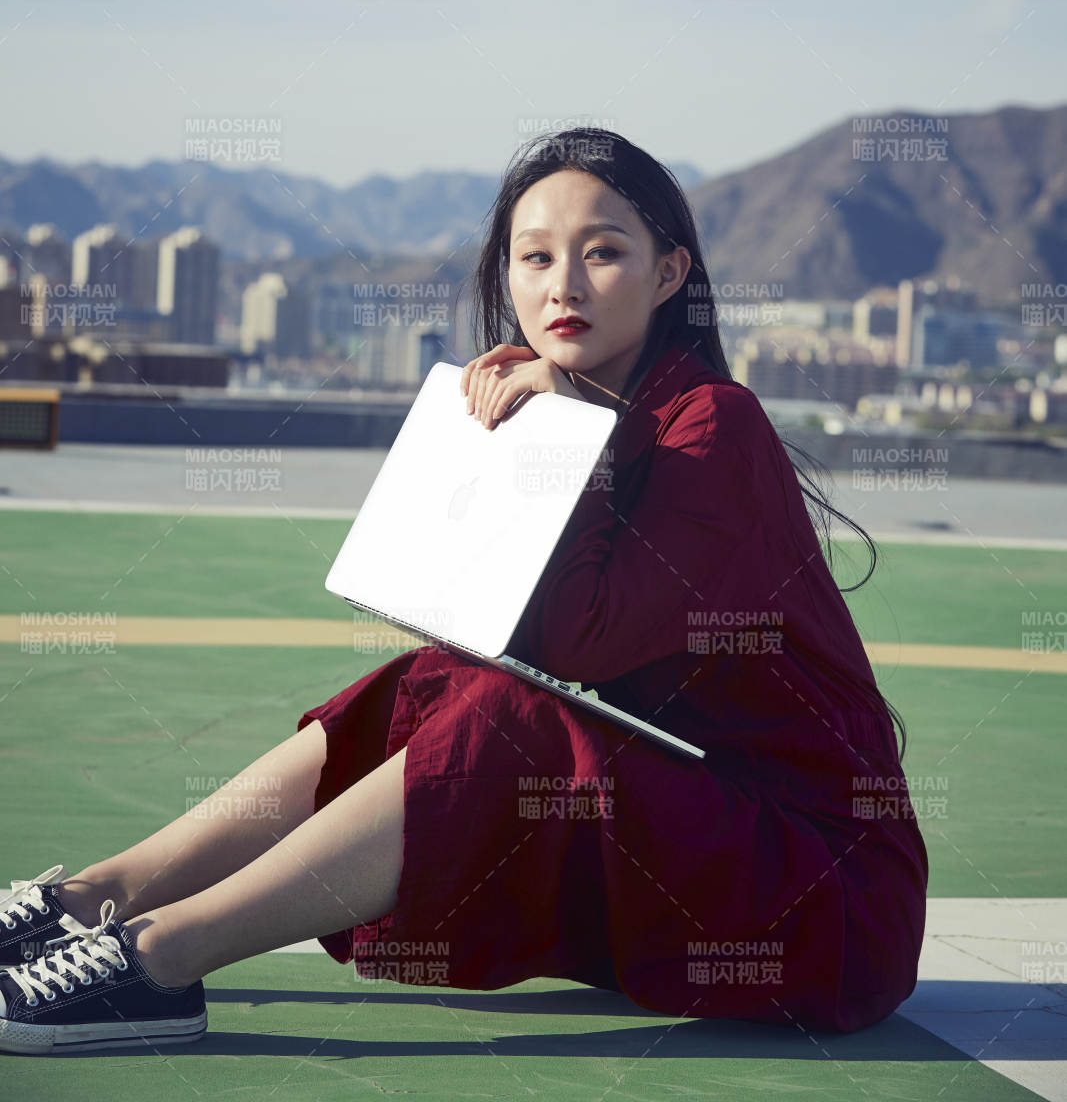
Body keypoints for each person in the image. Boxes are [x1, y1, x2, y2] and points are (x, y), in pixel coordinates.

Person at [0, 126, 928, 1056]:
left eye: (603, 251)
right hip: (694, 838)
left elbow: (577, 646)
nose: (562, 283)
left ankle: (157, 961)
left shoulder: (713, 426)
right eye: (534, 258)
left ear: (669, 271)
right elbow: (491, 638)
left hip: (818, 893)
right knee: (422, 685)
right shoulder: (568, 408)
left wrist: (566, 432)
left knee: (501, 715)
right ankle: (90, 899)